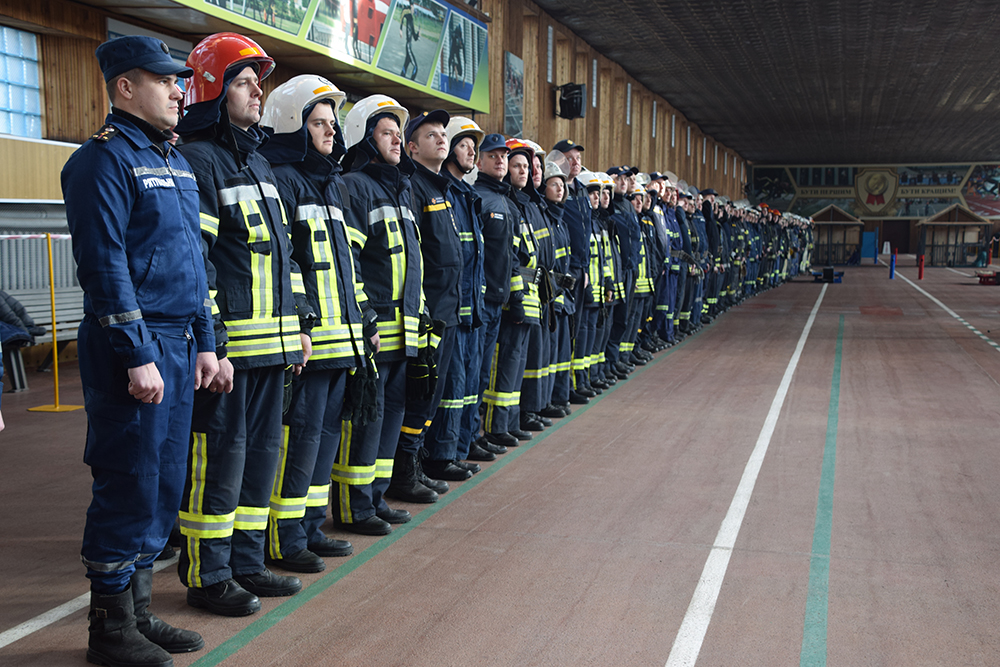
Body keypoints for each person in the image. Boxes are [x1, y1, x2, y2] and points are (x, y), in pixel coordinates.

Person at [62, 34, 216, 666]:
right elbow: (105, 269)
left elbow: (195, 261)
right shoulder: (101, 162)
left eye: (179, 80)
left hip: (181, 343)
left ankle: (141, 612)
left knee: (166, 483)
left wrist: (207, 342)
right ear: (125, 86)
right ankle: (109, 625)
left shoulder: (175, 160)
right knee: (130, 478)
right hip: (137, 343)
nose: (179, 90)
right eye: (164, 79)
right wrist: (135, 353)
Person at [175, 32, 307, 617]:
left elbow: (285, 256)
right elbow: (196, 261)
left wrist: (301, 322)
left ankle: (248, 562)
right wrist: (216, 343)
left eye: (260, 83)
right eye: (246, 82)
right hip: (232, 352)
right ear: (214, 89)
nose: (258, 92)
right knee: (219, 460)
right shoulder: (198, 160)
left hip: (276, 346)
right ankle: (208, 574)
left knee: (260, 459)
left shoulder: (258, 161)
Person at [259, 74, 371, 572]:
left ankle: (308, 526)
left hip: (342, 336)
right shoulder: (283, 180)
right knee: (301, 437)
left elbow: (346, 263)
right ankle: (283, 537)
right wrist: (303, 321)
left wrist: (363, 316)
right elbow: (291, 262)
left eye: (332, 123)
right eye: (319, 122)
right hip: (312, 340)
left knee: (325, 436)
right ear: (292, 124)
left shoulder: (329, 185)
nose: (330, 131)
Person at [336, 94, 425, 535]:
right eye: (387, 132)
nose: (397, 140)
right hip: (377, 331)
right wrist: (365, 316)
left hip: (406, 330)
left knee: (391, 414)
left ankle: (376, 496)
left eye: (398, 133)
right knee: (367, 419)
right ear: (364, 138)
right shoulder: (356, 185)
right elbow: (348, 259)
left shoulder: (401, 190)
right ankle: (354, 506)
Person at [394, 108, 477, 486]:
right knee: (420, 393)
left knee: (435, 392)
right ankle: (404, 468)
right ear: (411, 148)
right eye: (431, 135)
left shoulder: (441, 190)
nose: (442, 138)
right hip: (427, 315)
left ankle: (418, 459)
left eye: (443, 133)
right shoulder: (415, 189)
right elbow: (415, 256)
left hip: (448, 311)